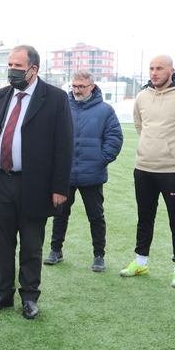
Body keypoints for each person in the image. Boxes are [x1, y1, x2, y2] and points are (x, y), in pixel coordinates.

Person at [0, 46, 73, 320]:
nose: (12, 71)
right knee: (3, 243)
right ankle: (3, 293)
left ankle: (29, 297)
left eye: (18, 66)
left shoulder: (55, 98)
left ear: (33, 69)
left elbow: (65, 146)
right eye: (10, 65)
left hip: (35, 185)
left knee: (31, 245)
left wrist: (59, 187)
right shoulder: (0, 96)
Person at [120, 54, 175, 288]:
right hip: (143, 167)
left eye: (159, 68)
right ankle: (140, 262)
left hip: (172, 170)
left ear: (171, 71)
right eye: (151, 68)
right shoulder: (142, 97)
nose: (154, 73)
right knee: (144, 217)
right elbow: (140, 125)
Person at [44, 69, 123, 272]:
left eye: (81, 86)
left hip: (93, 174)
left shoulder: (105, 110)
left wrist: (100, 160)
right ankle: (55, 250)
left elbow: (115, 138)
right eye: (74, 86)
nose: (77, 90)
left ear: (92, 86)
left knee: (96, 216)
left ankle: (99, 256)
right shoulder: (62, 107)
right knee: (60, 214)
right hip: (65, 174)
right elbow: (50, 136)